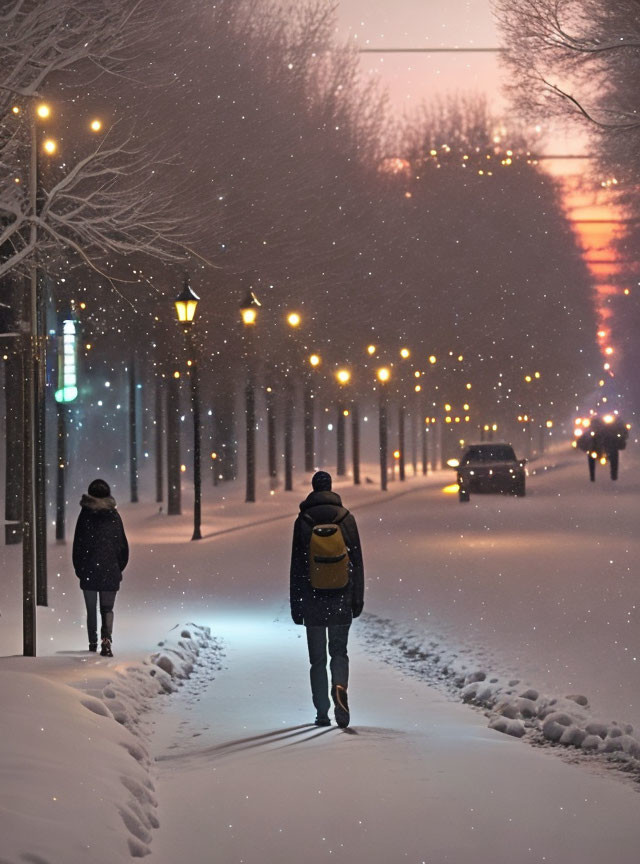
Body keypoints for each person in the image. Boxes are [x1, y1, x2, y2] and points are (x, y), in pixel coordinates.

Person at [290, 471, 364, 728]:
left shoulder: (304, 520)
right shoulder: (346, 519)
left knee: (317, 659)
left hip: (312, 598)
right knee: (339, 651)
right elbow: (357, 561)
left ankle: (322, 712)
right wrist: (358, 598)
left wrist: (296, 605)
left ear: (312, 488)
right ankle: (340, 687)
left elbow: (297, 567)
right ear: (331, 488)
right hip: (342, 595)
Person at [72, 479, 129, 657]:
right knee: (107, 608)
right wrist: (118, 567)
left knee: (91, 610)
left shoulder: (85, 516)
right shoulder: (114, 516)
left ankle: (92, 642)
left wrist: (80, 568)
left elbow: (78, 545)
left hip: (89, 570)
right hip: (110, 569)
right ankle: (107, 640)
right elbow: (122, 546)